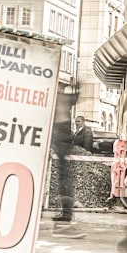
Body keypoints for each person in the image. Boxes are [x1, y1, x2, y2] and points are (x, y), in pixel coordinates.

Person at [49, 87, 85, 238]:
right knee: (65, 178)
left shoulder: (57, 96)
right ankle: (64, 223)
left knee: (64, 177)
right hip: (59, 136)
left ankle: (64, 219)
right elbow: (76, 96)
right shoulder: (59, 98)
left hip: (58, 135)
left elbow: (76, 96)